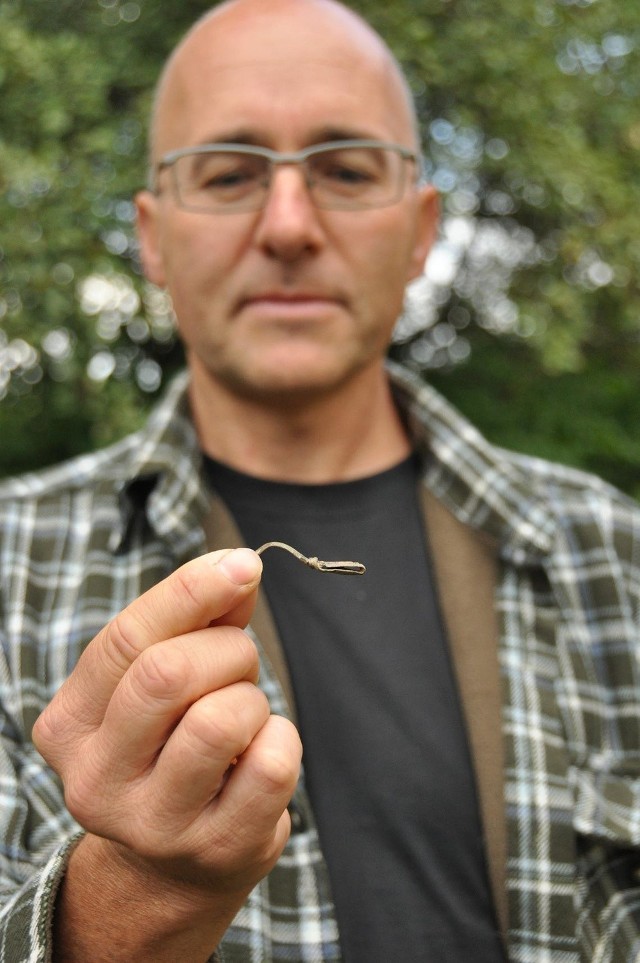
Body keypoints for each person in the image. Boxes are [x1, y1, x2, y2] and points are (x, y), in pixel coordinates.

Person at [1, 0, 639, 960]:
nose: (289, 225)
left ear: (421, 229)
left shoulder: (617, 558)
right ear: (154, 237)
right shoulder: (9, 568)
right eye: (226, 174)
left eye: (345, 170)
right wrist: (129, 897)